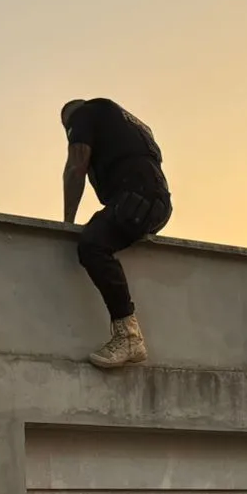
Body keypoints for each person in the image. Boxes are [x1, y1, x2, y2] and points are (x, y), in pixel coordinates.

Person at [61, 98, 173, 368]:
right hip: (157, 203)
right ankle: (128, 333)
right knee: (108, 232)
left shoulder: (83, 114)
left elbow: (76, 167)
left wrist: (67, 222)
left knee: (93, 245)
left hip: (135, 198)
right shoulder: (130, 123)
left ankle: (128, 334)